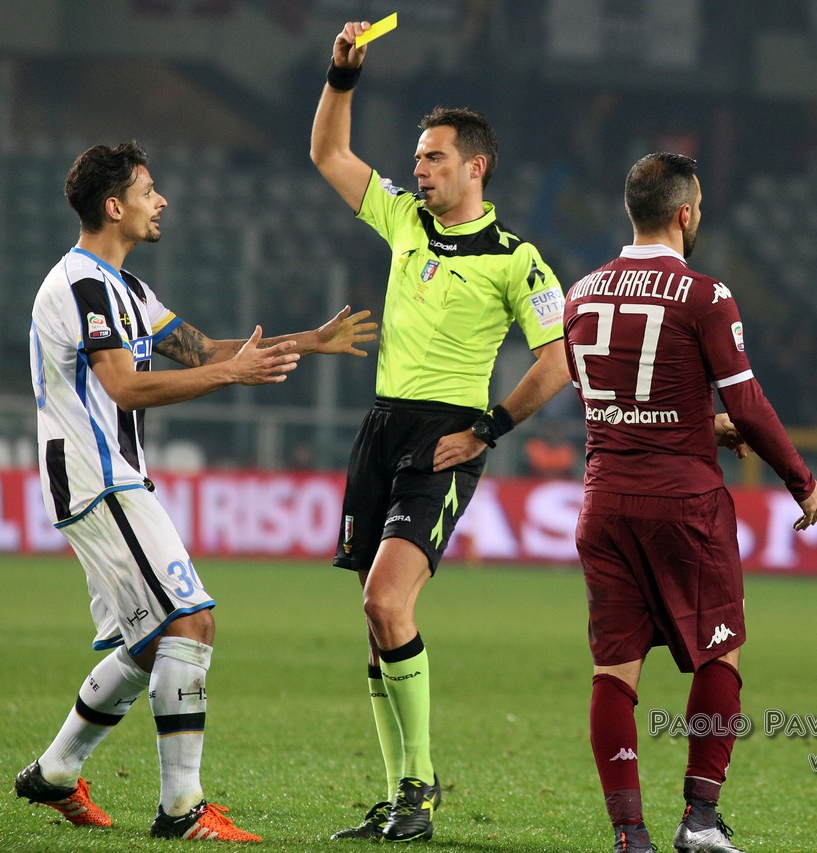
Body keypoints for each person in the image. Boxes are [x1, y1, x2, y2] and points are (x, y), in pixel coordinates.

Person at [16, 141, 377, 842]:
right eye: (148, 190)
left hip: (111, 478)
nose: (162, 201)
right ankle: (182, 809)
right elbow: (125, 386)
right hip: (98, 478)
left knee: (154, 640)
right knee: (191, 623)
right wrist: (232, 377)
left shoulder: (125, 289)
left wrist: (312, 340)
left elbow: (206, 350)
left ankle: (56, 770)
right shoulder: (84, 287)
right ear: (113, 206)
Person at [309, 20, 570, 843]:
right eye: (417, 158)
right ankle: (399, 797)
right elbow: (328, 153)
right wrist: (341, 77)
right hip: (381, 427)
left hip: (447, 439)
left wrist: (490, 428)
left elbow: (558, 360)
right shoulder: (403, 221)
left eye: (433, 158)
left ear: (474, 167)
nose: (418, 169)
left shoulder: (518, 259)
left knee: (388, 600)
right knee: (376, 619)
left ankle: (419, 786)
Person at [563, 152, 817, 853]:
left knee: (613, 670)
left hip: (604, 503)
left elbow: (616, 405)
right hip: (685, 506)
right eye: (700, 207)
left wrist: (699, 424)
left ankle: (629, 834)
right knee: (721, 656)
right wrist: (801, 480)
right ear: (685, 214)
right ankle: (700, 820)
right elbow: (749, 401)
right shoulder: (705, 296)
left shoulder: (580, 294)